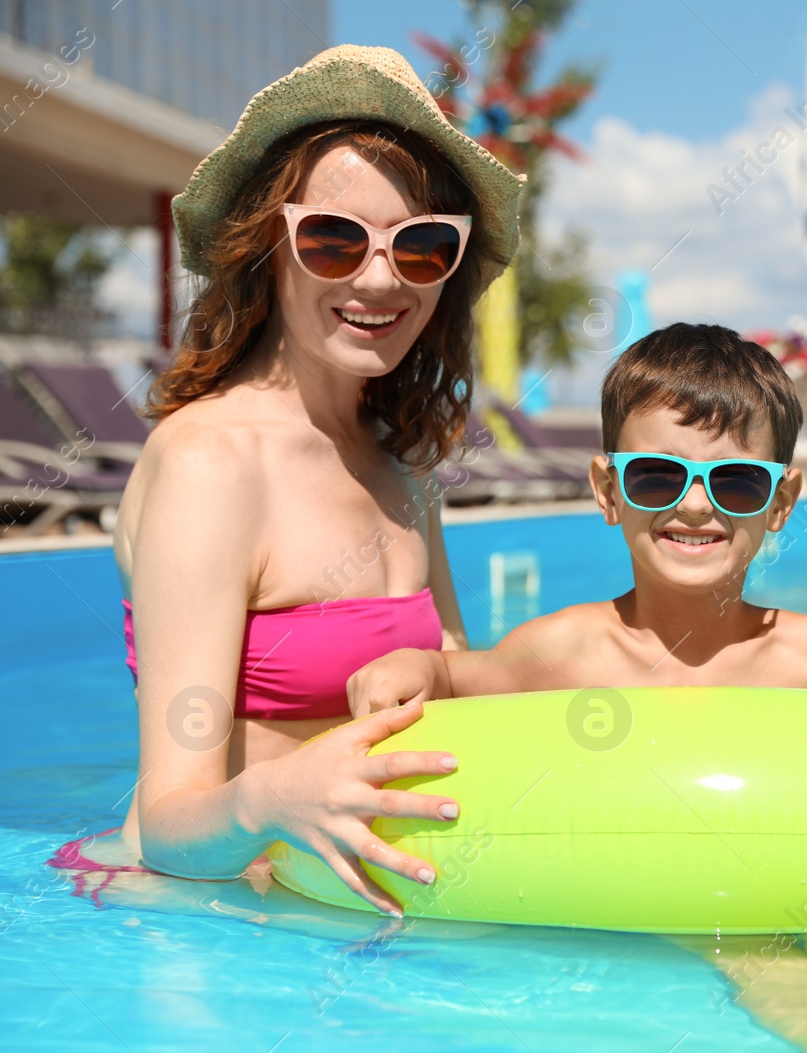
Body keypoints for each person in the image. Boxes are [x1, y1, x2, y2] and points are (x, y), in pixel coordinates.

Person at [52, 46, 524, 918]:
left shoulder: (402, 458)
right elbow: (168, 822)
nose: (379, 278)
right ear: (268, 246)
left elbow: (458, 682)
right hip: (212, 912)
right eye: (335, 240)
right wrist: (275, 796)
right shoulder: (212, 464)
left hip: (355, 904)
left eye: (420, 247)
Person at [347, 322, 807, 705]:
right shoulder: (560, 653)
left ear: (781, 504)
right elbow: (458, 680)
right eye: (656, 477)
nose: (693, 505)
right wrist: (418, 666)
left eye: (737, 483)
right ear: (607, 490)